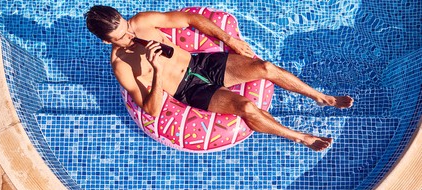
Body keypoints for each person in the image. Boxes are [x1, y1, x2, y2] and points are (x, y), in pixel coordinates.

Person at [85, 5, 353, 151]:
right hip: (189, 90)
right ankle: (299, 137)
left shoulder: (141, 22)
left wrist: (229, 39)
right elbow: (152, 110)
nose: (129, 35)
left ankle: (322, 97)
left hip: (200, 62)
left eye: (125, 26)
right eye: (121, 36)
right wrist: (155, 71)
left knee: (265, 67)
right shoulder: (121, 65)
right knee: (245, 107)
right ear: (106, 41)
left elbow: (189, 19)